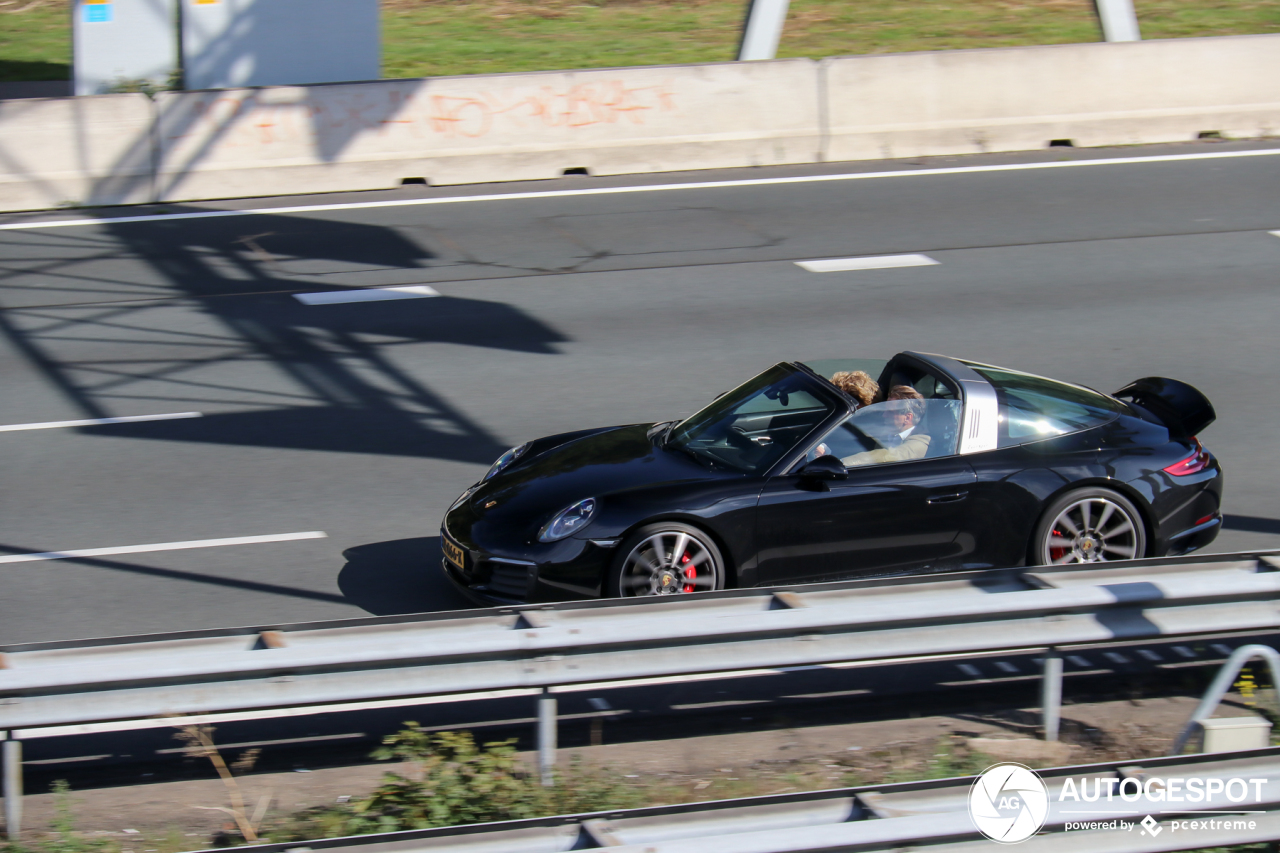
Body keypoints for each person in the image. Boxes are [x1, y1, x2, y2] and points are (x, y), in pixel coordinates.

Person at [842, 385, 930, 466]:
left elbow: (888, 456)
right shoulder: (889, 433)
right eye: (885, 410)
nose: (884, 415)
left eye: (890, 412)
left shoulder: (920, 443)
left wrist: (843, 463)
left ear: (907, 418)